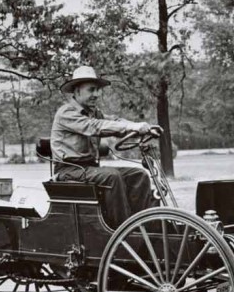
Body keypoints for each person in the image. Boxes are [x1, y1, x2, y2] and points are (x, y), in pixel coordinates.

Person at [50, 66, 159, 228]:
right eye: (91, 90)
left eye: (98, 90)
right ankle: (124, 230)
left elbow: (114, 121)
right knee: (112, 176)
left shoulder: (93, 112)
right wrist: (133, 127)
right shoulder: (66, 113)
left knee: (139, 174)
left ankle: (147, 226)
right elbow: (95, 127)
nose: (97, 94)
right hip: (68, 171)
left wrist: (144, 127)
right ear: (77, 91)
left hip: (89, 169)